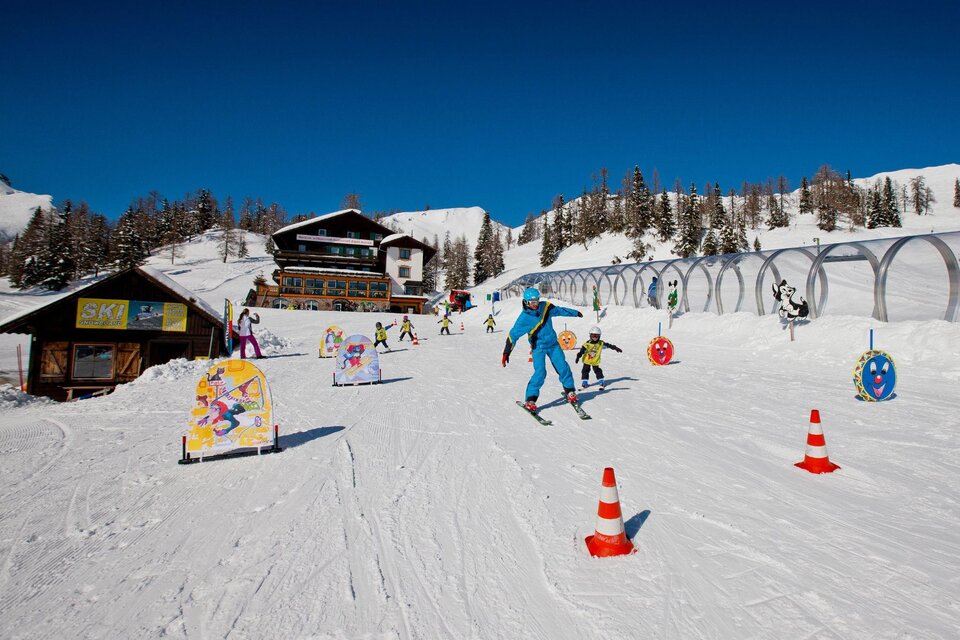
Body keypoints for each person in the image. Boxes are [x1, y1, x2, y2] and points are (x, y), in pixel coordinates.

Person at [502, 287, 583, 412]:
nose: (535, 304)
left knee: (563, 367)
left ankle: (570, 391)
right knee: (540, 372)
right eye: (532, 302)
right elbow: (513, 335)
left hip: (553, 345)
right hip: (538, 348)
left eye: (537, 301)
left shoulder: (545, 307)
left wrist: (575, 312)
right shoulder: (524, 319)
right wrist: (507, 352)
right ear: (526, 302)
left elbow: (559, 310)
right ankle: (530, 399)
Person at [574, 326, 622, 390]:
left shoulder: (601, 343)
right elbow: (582, 351)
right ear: (590, 336)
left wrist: (615, 348)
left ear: (599, 336)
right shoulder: (587, 344)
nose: (595, 337)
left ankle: (601, 382)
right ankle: (584, 383)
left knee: (598, 371)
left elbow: (609, 345)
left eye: (596, 336)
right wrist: (578, 356)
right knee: (585, 371)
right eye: (593, 335)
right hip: (587, 360)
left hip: (595, 361)